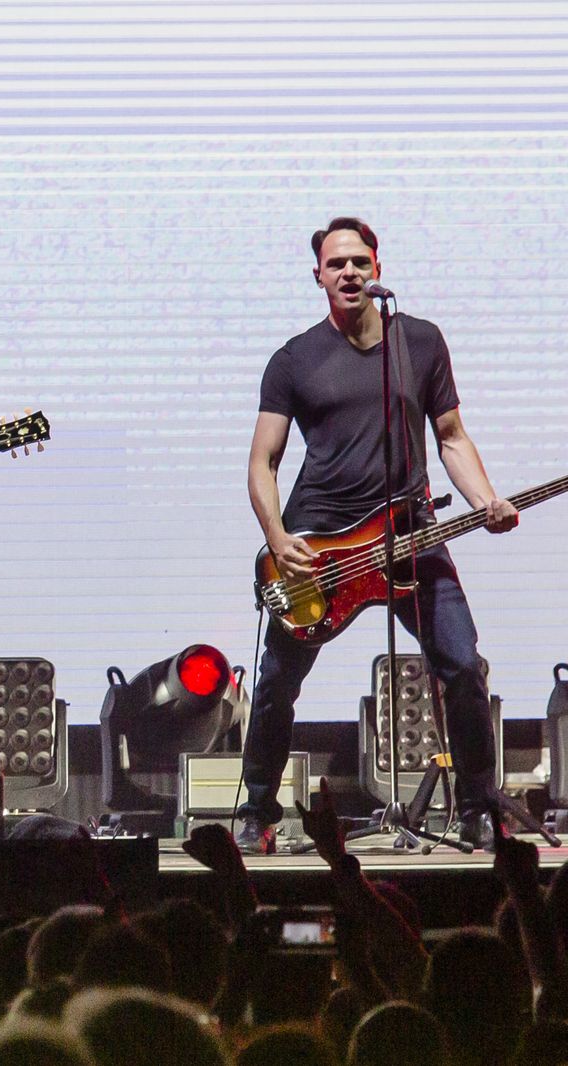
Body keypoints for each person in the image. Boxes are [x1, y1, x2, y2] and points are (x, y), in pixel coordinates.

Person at [239, 216, 517, 854]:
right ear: (318, 276)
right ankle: (258, 810)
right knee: (278, 680)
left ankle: (476, 807)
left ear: (378, 270)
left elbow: (450, 436)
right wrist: (279, 538)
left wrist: (485, 501)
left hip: (409, 535)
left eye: (359, 261)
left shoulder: (420, 342)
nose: (349, 273)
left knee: (463, 664)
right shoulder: (293, 359)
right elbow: (263, 462)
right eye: (336, 264)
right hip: (321, 547)